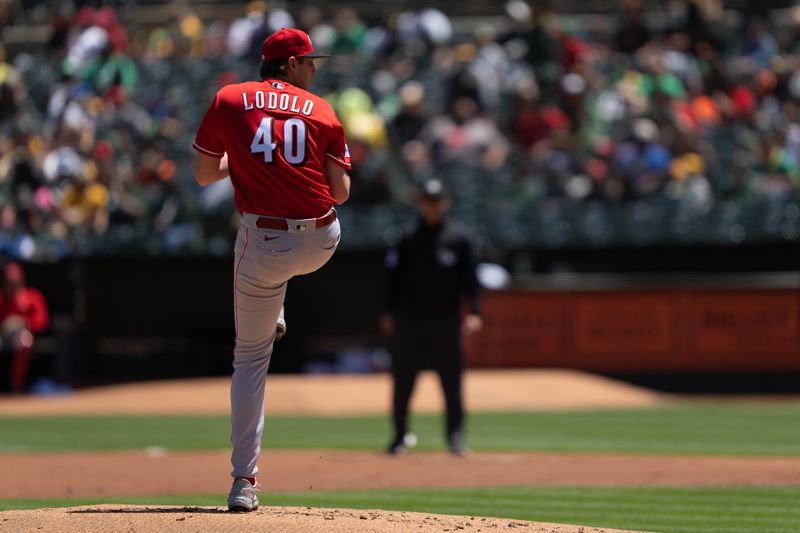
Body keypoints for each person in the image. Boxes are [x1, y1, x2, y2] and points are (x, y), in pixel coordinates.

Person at [192, 27, 351, 512]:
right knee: (285, 254)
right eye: (309, 61)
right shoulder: (322, 109)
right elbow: (341, 191)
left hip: (263, 245)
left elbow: (203, 175)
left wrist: (240, 162)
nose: (314, 69)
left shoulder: (229, 98)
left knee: (250, 359)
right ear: (290, 65)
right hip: (323, 240)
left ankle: (244, 482)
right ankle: (276, 300)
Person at [379, 179, 482, 456]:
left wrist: (473, 311)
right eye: (427, 200)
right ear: (421, 203)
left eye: (437, 200)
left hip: (445, 318)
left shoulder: (459, 239)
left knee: (452, 381)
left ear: (445, 202)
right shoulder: (408, 238)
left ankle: (456, 438)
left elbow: (471, 281)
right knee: (403, 380)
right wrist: (388, 311)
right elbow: (393, 279)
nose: (432, 206)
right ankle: (399, 437)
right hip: (410, 318)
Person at [0, 262, 50, 394]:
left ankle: (16, 386)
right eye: (9, 283)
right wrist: (5, 325)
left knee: (24, 340)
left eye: (15, 283)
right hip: (2, 339)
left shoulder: (32, 297)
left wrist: (23, 322)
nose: (12, 286)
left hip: (23, 338)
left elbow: (42, 321)